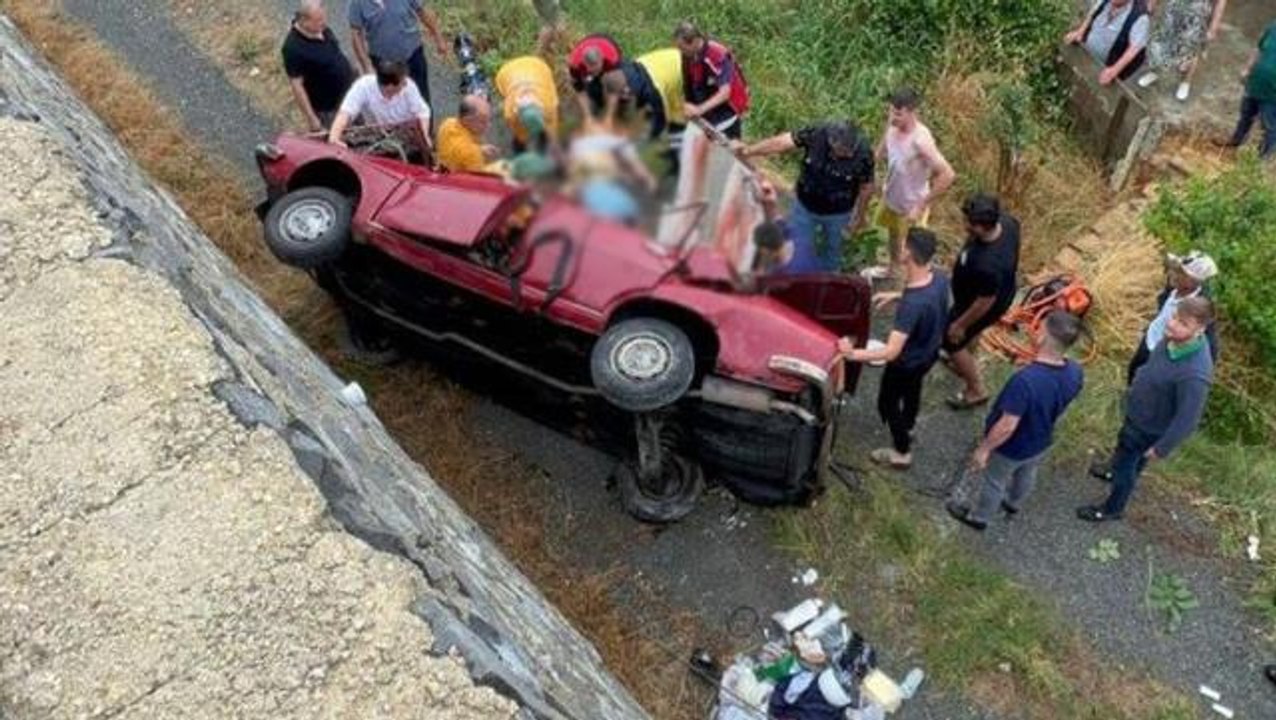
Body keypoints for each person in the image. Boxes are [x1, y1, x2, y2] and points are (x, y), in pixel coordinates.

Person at [1077, 297, 1215, 522]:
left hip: (1148, 428)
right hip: (1137, 413)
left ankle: (1112, 509)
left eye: (1182, 323)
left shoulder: (1195, 374)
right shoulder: (1173, 339)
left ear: (1200, 329)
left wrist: (1161, 448)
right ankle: (1112, 471)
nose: (1171, 324)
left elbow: (1187, 420)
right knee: (1124, 452)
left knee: (1128, 468)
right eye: (1174, 317)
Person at [946, 311, 1086, 531]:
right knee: (1027, 472)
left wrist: (984, 450)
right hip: (1041, 440)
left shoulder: (1024, 381)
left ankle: (979, 518)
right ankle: (1013, 503)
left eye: (1039, 327)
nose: (1034, 329)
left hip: (1012, 447)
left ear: (1043, 337)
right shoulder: (1075, 371)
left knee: (994, 480)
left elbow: (1007, 426)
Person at [840, 228, 951, 470]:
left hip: (907, 361)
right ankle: (908, 425)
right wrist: (896, 295)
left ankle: (902, 451)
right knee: (913, 390)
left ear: (908, 254)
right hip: (929, 353)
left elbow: (891, 352)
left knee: (888, 402)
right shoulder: (940, 278)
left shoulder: (912, 304)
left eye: (903, 246)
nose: (900, 249)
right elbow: (927, 300)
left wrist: (852, 354)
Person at [735, 121, 876, 272]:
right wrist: (749, 151)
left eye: (851, 151)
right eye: (844, 151)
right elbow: (782, 142)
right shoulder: (816, 134)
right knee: (796, 248)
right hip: (805, 207)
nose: (849, 154)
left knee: (833, 252)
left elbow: (866, 187)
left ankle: (825, 282)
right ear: (832, 142)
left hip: (838, 213)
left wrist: (860, 216)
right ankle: (793, 280)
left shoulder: (864, 153)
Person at [944, 194, 1022, 410]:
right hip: (993, 291)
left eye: (967, 222)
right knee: (967, 336)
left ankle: (976, 390)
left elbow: (984, 303)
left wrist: (960, 324)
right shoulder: (1008, 222)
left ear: (980, 227)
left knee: (951, 340)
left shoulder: (990, 265)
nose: (963, 224)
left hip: (981, 305)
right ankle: (964, 358)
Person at [874, 88, 956, 279]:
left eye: (898, 114)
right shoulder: (892, 124)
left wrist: (921, 205)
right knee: (892, 235)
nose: (893, 117)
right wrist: (875, 162)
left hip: (912, 204)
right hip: (891, 197)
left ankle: (910, 288)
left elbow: (948, 174)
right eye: (891, 111)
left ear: (912, 112)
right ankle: (892, 269)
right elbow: (883, 147)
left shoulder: (921, 140)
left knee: (913, 253)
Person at [347, 0, 447, 116]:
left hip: (412, 55)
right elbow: (356, 33)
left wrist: (439, 39)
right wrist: (366, 65)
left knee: (420, 99)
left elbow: (423, 12)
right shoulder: (357, 3)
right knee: (389, 103)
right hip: (382, 63)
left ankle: (425, 132)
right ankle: (397, 132)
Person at [283, 0, 356, 133]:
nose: (323, 22)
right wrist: (312, 119)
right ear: (304, 21)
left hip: (349, 97)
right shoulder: (293, 48)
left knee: (363, 134)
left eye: (324, 17)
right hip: (329, 109)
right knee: (343, 142)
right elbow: (297, 85)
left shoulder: (321, 29)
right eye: (318, 20)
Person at [328, 61, 432, 151]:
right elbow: (346, 112)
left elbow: (422, 113)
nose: (405, 83)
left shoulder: (409, 86)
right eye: (402, 82)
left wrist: (425, 137)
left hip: (409, 137)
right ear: (390, 86)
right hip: (380, 137)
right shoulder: (364, 85)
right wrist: (334, 137)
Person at [1136, 0, 1228, 101]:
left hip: (1199, 11)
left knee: (1190, 48)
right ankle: (1156, 71)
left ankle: (1185, 81)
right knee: (1163, 39)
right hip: (1174, 5)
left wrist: (1214, 25)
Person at [674, 21, 750, 140]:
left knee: (727, 154)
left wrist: (699, 110)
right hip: (706, 116)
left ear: (694, 41)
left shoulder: (716, 54)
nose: (681, 51)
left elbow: (725, 92)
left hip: (725, 118)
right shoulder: (690, 55)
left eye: (682, 48)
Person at [1217, 17, 1276, 158]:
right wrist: (1247, 69)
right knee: (1245, 116)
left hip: (1273, 93)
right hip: (1255, 82)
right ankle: (1236, 140)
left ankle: (1261, 159)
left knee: (1269, 126)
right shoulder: (1272, 28)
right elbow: (1258, 50)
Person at [601, 48, 686, 141]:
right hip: (673, 55)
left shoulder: (652, 94)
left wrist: (650, 137)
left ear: (626, 92)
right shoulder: (628, 66)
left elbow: (660, 121)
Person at [1064, 0, 1152, 86]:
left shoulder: (1140, 18)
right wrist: (1080, 32)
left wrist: (1114, 70)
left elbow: (1135, 48)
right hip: (1089, 59)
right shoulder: (1103, 2)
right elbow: (1092, 14)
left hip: (1113, 67)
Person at [495, 55, 560, 152]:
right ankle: (521, 152)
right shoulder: (510, 113)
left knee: (546, 134)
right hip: (506, 73)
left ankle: (543, 146)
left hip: (538, 67)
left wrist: (552, 142)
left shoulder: (549, 103)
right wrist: (522, 139)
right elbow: (518, 131)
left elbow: (552, 125)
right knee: (520, 138)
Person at [437, 95, 501, 173]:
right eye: (483, 121)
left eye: (489, 120)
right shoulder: (472, 155)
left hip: (443, 176)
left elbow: (459, 148)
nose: (489, 125)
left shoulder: (447, 123)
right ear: (466, 120)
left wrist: (481, 149)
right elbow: (481, 181)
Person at [568, 34, 624, 114]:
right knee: (592, 88)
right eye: (592, 71)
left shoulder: (613, 60)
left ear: (602, 60)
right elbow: (579, 89)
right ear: (585, 64)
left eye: (597, 70)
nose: (595, 73)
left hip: (606, 42)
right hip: (586, 43)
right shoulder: (575, 64)